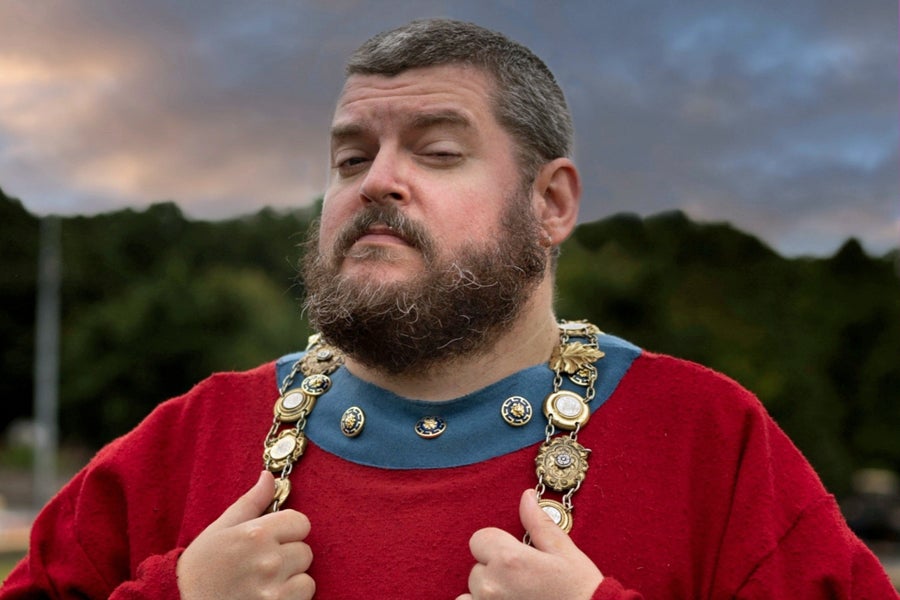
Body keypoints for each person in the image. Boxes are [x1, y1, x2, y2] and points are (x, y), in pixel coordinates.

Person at [2, 18, 896, 600]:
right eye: (351, 160)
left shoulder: (708, 439)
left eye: (436, 152)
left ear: (551, 204)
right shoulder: (186, 440)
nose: (377, 181)